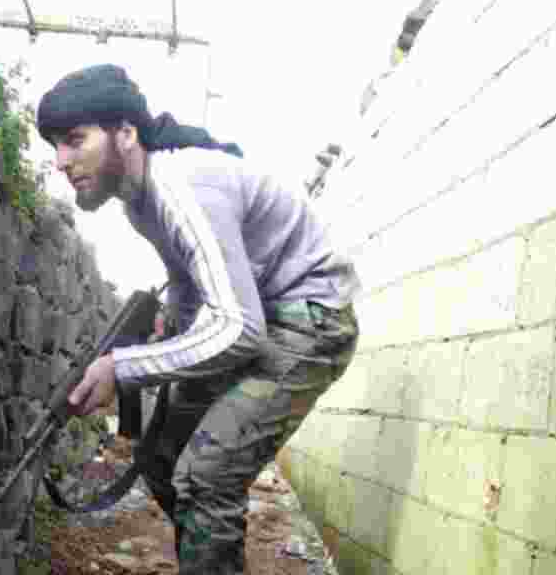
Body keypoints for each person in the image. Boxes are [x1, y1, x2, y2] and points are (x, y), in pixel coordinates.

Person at [36, 63, 361, 574]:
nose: (61, 161)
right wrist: (178, 321)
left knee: (207, 476)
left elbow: (239, 329)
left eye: (75, 140)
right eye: (56, 145)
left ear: (125, 134)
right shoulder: (140, 204)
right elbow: (192, 279)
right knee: (164, 455)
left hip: (308, 323)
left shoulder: (182, 187)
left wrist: (123, 367)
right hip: (264, 317)